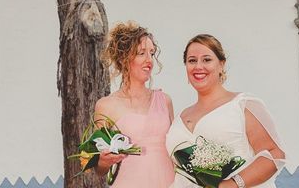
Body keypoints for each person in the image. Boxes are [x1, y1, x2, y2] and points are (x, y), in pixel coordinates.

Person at [166, 34, 286, 188]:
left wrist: (233, 184)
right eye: (192, 60)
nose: (198, 66)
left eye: (207, 59)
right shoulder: (180, 117)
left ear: (221, 64)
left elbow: (274, 153)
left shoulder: (242, 105)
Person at [93, 21, 175, 187]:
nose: (149, 60)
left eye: (151, 53)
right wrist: (103, 161)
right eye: (141, 53)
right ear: (124, 58)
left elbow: (176, 148)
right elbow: (99, 168)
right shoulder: (106, 106)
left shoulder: (164, 101)